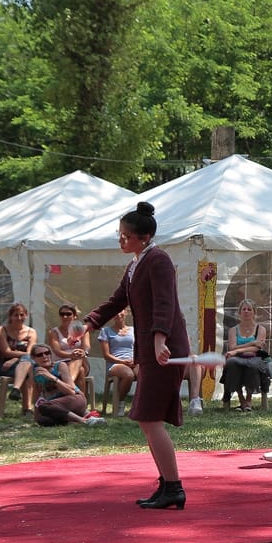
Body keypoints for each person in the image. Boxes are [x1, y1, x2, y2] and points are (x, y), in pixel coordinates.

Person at [84, 202, 190, 510]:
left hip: (164, 350)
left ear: (143, 237)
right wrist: (87, 324)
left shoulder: (158, 260)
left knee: (148, 417)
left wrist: (159, 341)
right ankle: (168, 485)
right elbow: (117, 301)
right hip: (151, 350)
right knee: (148, 419)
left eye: (125, 236)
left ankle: (174, 487)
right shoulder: (135, 264)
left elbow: (164, 303)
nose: (120, 240)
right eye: (119, 235)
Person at [29, 344, 106, 427]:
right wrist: (36, 418)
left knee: (45, 406)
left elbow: (71, 391)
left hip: (75, 399)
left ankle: (84, 421)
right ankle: (77, 420)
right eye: (40, 355)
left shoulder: (60, 366)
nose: (44, 356)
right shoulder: (35, 372)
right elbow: (37, 395)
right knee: (43, 420)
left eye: (47, 353)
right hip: (57, 406)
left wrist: (51, 377)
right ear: (34, 358)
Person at [221, 299, 269, 412]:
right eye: (244, 309)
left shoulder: (261, 329)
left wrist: (238, 350)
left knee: (253, 365)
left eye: (249, 309)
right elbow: (232, 347)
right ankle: (241, 398)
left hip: (254, 357)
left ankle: (248, 400)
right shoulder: (233, 330)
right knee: (232, 364)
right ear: (239, 312)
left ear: (254, 312)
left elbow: (257, 348)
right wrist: (252, 342)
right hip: (236, 359)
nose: (246, 311)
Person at [0, 302, 38, 416]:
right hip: (5, 366)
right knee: (28, 368)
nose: (19, 318)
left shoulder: (31, 332)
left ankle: (16, 389)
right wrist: (16, 358)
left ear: (26, 315)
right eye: (16, 315)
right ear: (10, 316)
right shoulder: (1, 330)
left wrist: (14, 359)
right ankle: (27, 408)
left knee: (27, 366)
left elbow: (30, 352)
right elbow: (6, 352)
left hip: (22, 363)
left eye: (22, 315)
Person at [98, 308, 137, 417]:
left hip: (133, 362)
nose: (118, 314)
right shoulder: (105, 331)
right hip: (115, 363)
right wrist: (123, 362)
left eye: (120, 311)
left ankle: (140, 405)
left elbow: (140, 349)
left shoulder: (134, 330)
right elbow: (106, 355)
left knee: (146, 374)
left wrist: (136, 360)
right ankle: (119, 403)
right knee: (128, 375)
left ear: (126, 312)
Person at [47, 303, 91, 395]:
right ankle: (80, 402)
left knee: (78, 359)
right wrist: (71, 355)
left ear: (75, 316)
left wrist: (81, 353)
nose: (65, 316)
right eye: (62, 314)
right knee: (81, 371)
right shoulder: (53, 332)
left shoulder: (82, 330)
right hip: (61, 363)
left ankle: (66, 385)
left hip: (81, 360)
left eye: (68, 314)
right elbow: (57, 351)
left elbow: (86, 347)